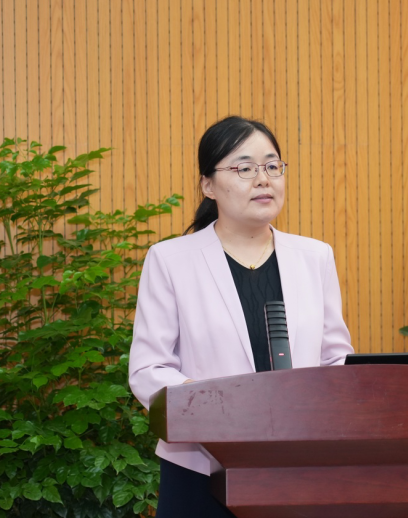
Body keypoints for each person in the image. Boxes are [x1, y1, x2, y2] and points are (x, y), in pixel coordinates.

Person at [128, 116, 354, 518]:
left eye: (272, 165)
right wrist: (222, 405)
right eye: (244, 168)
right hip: (200, 466)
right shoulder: (170, 260)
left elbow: (336, 360)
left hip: (298, 464)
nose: (263, 179)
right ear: (208, 185)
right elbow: (148, 370)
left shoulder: (315, 257)